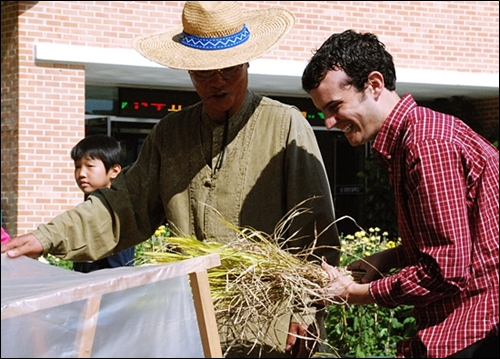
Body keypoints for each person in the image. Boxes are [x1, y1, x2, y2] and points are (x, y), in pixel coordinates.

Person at [2, 2, 340, 357]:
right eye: (204, 71)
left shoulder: (285, 126)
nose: (217, 80)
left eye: (229, 67)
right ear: (189, 69)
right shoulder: (170, 134)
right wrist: (45, 237)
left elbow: (315, 231)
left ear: (247, 61)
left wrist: (307, 311)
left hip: (267, 332)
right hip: (185, 327)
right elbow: (123, 207)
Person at [301, 29, 499, 358]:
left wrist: (355, 292)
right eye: (324, 112)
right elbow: (458, 243)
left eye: (335, 106)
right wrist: (391, 258)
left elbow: (445, 271)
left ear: (375, 85)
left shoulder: (426, 144)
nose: (331, 122)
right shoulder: (413, 138)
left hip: (477, 334)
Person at [70, 134, 135, 273]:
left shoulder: (116, 214)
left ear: (114, 171)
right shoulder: (87, 209)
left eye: (90, 166)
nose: (81, 173)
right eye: (77, 166)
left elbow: (118, 272)